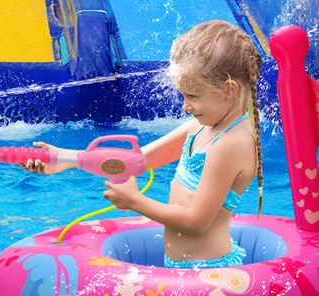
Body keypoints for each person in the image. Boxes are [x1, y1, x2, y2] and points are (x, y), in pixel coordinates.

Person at [22, 20, 263, 269]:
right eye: (183, 95)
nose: (185, 106)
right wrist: (69, 160)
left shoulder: (231, 144)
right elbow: (136, 161)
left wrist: (134, 201)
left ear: (229, 89)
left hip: (208, 271)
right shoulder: (202, 126)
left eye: (192, 96)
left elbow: (196, 222)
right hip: (181, 267)